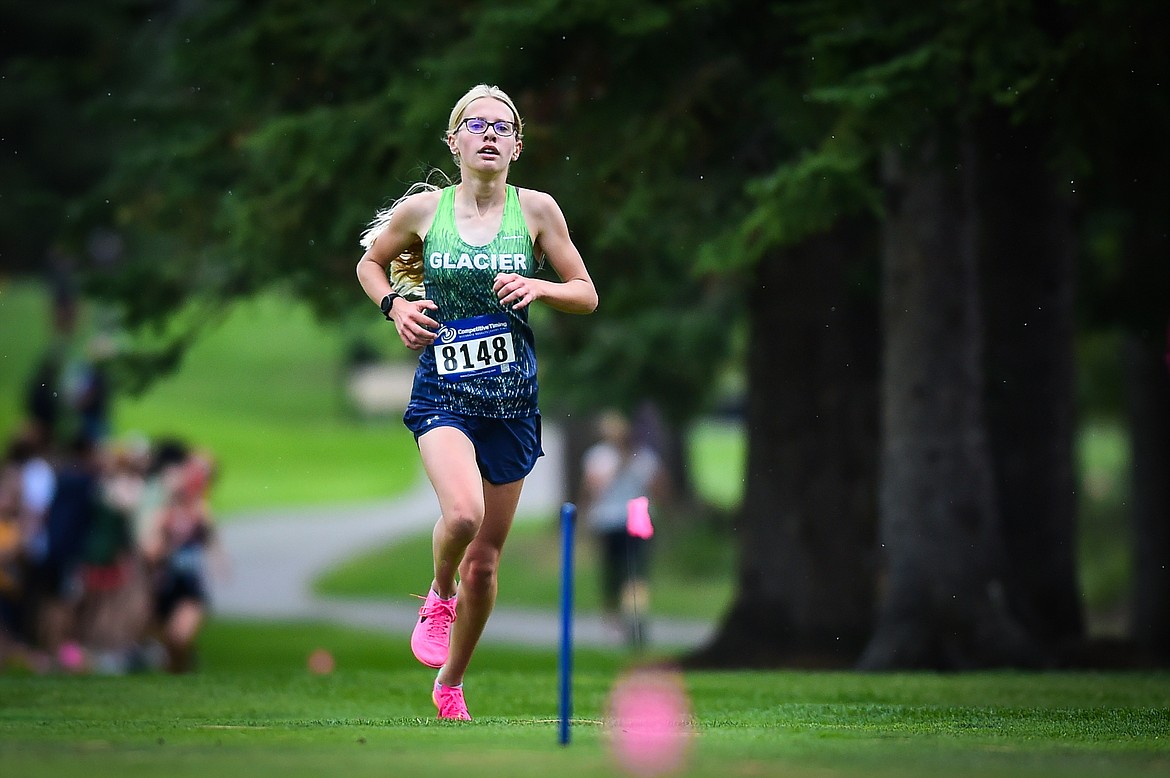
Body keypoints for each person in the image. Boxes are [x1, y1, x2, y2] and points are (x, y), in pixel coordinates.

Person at [356, 83, 597, 720]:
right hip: (444, 394)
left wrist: (539, 287)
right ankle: (437, 595)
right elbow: (370, 264)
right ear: (455, 140)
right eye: (477, 124)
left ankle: (451, 682)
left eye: (503, 126)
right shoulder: (424, 212)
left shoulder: (538, 211)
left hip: (512, 403)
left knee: (486, 566)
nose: (490, 134)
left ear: (516, 145)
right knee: (461, 517)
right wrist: (396, 305)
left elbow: (586, 292)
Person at [578, 411, 666, 648]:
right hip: (608, 517)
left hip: (636, 513)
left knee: (636, 570)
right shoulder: (599, 456)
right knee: (612, 572)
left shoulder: (643, 456)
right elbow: (594, 487)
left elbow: (656, 487)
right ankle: (615, 619)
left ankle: (636, 617)